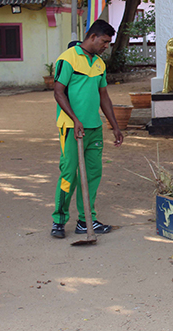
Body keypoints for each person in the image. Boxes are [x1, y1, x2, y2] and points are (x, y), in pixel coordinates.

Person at [50, 20, 124, 238]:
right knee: (69, 174)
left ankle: (85, 220)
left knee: (93, 174)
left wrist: (115, 126)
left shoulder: (100, 64)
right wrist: (74, 119)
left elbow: (104, 97)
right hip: (71, 128)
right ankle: (59, 221)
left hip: (94, 128)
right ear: (92, 37)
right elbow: (58, 92)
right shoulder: (67, 59)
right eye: (104, 41)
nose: (106, 46)